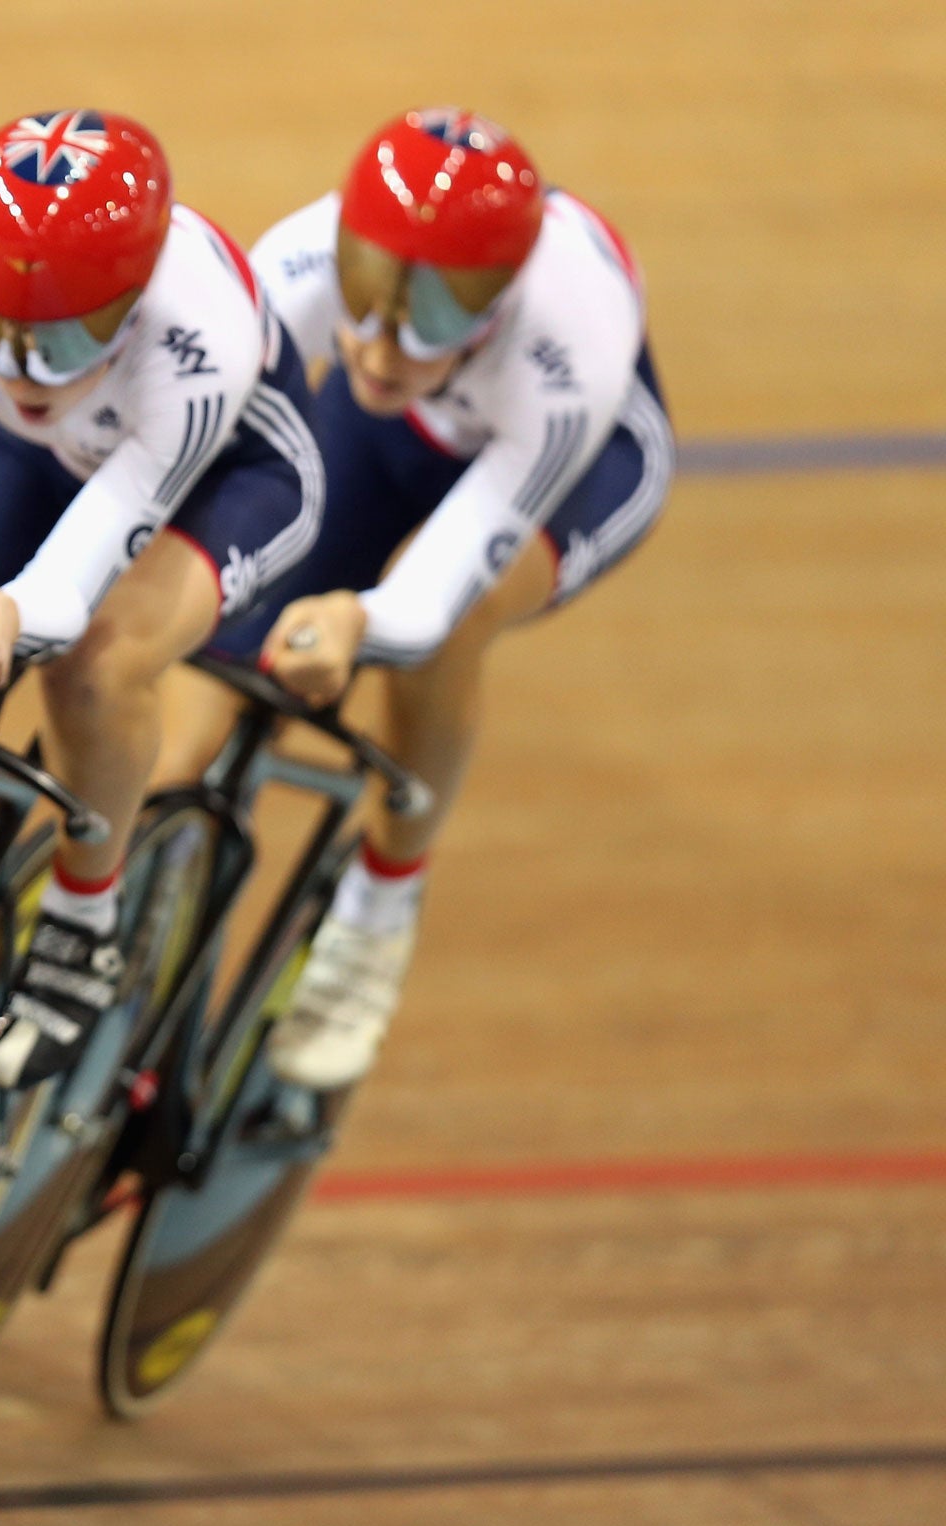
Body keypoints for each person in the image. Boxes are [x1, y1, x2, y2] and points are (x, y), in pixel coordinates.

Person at [0, 110, 324, 1089]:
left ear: (131, 303)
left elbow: (74, 572)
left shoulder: (200, 337)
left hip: (227, 477)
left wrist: (2, 618)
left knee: (94, 662)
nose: (21, 369)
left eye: (63, 337)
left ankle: (81, 921)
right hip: (38, 456)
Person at [194, 107, 673, 1090]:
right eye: (364, 302)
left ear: (495, 308)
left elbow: (432, 584)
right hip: (383, 438)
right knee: (205, 640)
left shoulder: (564, 346)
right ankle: (151, 850)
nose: (375, 350)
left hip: (570, 465)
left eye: (433, 322)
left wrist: (360, 620)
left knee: (445, 619)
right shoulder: (298, 264)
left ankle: (379, 906)